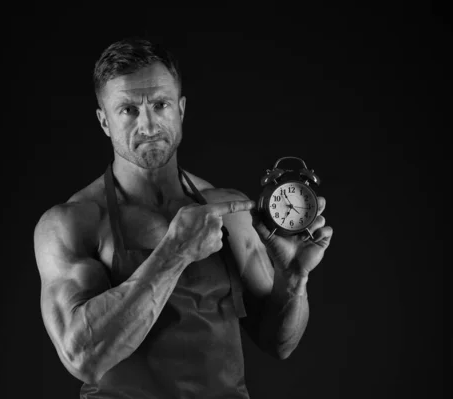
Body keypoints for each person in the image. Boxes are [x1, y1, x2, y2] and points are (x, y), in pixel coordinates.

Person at [33, 37, 333, 398]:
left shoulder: (229, 209)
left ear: (181, 108)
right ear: (104, 121)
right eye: (128, 110)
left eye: (160, 105)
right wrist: (175, 252)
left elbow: (279, 343)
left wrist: (294, 279)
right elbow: (82, 356)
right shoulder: (72, 223)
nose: (148, 125)